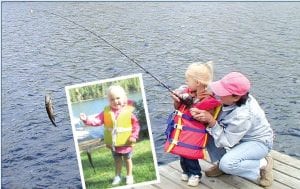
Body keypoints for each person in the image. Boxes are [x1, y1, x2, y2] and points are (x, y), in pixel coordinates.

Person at [190, 72, 274, 187]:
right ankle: (221, 164)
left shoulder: (243, 115)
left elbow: (227, 141)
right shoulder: (234, 98)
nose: (217, 93)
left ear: (236, 97)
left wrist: (211, 121)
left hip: (258, 142)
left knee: (228, 164)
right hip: (237, 137)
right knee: (206, 132)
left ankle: (262, 165)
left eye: (222, 92)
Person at [164, 61, 221, 187]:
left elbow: (203, 119)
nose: (186, 82)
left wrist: (192, 104)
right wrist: (177, 100)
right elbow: (178, 108)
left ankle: (195, 174)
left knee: (189, 154)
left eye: (188, 80)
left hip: (193, 135)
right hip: (182, 131)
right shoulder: (187, 92)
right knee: (182, 153)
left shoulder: (209, 99)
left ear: (198, 83)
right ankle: (186, 171)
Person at [80, 85, 140, 186]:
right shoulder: (106, 112)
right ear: (108, 101)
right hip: (114, 145)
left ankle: (129, 175)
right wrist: (86, 119)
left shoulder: (128, 112)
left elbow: (136, 125)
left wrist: (134, 136)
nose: (115, 101)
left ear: (124, 98)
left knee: (128, 160)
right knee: (117, 161)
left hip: (126, 143)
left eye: (118, 98)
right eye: (112, 99)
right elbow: (97, 120)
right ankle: (118, 176)